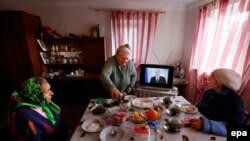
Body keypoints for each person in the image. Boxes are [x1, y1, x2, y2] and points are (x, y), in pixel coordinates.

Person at [7, 77, 67, 141]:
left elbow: (60, 126)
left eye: (50, 89)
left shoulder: (43, 104)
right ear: (35, 95)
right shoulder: (24, 115)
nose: (52, 93)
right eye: (47, 91)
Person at [189, 68, 245, 136]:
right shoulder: (209, 92)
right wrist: (193, 108)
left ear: (220, 83)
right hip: (200, 131)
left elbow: (236, 130)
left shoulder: (235, 102)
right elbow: (201, 107)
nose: (208, 78)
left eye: (212, 77)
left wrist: (205, 124)